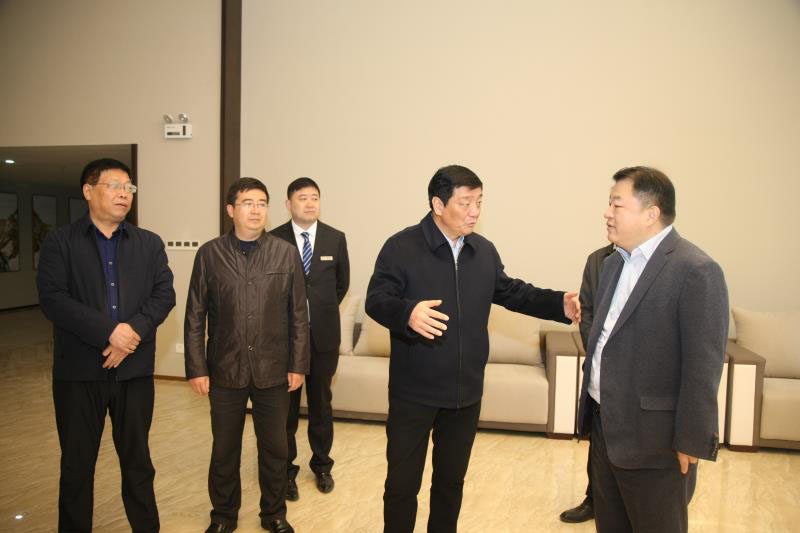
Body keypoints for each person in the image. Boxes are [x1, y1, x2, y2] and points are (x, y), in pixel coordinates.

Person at [365, 164, 580, 533]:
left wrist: (558, 304)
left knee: (450, 484)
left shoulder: (483, 251)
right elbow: (376, 299)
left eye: (479, 202)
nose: (474, 211)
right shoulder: (401, 247)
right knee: (402, 485)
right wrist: (407, 313)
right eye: (465, 203)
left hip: (465, 393)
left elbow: (513, 292)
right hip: (413, 393)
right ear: (438, 204)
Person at [576, 166, 728, 533]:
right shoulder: (612, 265)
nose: (607, 213)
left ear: (651, 213)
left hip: (657, 443)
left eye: (617, 205)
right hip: (607, 429)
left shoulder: (695, 270)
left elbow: (703, 366)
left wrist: (691, 439)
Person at [37, 158, 176, 532]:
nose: (123, 194)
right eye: (114, 185)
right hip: (79, 373)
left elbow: (164, 294)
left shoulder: (148, 243)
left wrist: (129, 335)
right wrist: (108, 332)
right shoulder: (60, 242)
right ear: (88, 191)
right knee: (77, 465)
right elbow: (53, 299)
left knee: (138, 462)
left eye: (128, 187)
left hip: (134, 373)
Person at [184, 177, 310, 533]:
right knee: (224, 449)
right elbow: (195, 315)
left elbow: (298, 314)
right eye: (247, 203)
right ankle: (223, 515)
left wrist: (298, 364)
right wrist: (196, 367)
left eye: (262, 203)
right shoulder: (209, 254)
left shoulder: (285, 252)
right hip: (225, 368)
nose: (256, 210)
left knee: (275, 449)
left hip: (274, 368)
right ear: (230, 210)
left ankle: (274, 514)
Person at [270, 177, 350, 500]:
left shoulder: (335, 238)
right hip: (285, 340)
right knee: (285, 411)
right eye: (302, 198)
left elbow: (341, 284)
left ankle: (322, 465)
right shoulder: (273, 239)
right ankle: (285, 472)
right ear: (288, 204)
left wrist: (318, 310)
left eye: (314, 197)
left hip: (323, 338)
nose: (310, 203)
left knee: (321, 406)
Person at [559, 242, 615, 524]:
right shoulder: (597, 260)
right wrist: (598, 353)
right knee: (598, 440)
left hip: (632, 376)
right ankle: (594, 499)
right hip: (599, 368)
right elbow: (587, 312)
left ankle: (619, 504)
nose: (608, 219)